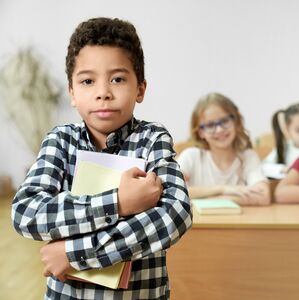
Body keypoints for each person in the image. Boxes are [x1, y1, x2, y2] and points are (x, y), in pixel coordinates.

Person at [11, 17, 192, 299]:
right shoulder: (61, 141)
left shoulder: (153, 140)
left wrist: (74, 254)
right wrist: (118, 202)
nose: (103, 93)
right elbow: (26, 213)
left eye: (117, 79)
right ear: (72, 91)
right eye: (87, 81)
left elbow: (174, 215)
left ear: (140, 88)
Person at [177, 92, 271, 205]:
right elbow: (174, 191)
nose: (220, 130)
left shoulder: (248, 157)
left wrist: (211, 200)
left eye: (225, 121)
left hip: (238, 222)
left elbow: (263, 196)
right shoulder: (191, 156)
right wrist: (222, 189)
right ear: (200, 132)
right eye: (210, 125)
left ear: (236, 121)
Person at [264, 102, 299, 167]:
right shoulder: (284, 149)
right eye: (298, 131)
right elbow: (264, 166)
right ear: (287, 130)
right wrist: (282, 169)